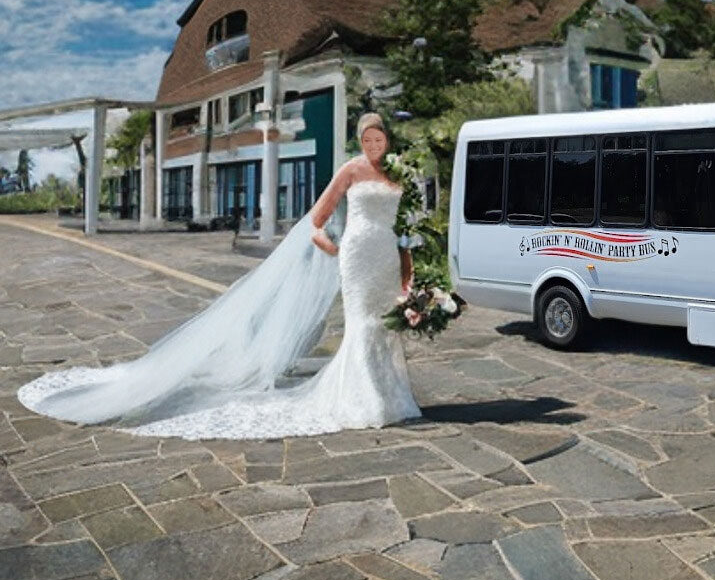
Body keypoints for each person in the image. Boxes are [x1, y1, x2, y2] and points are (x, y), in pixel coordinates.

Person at [17, 113, 423, 440]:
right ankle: (363, 400)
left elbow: (404, 226)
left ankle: (392, 397)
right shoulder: (350, 170)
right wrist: (333, 248)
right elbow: (317, 220)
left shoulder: (398, 175)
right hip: (356, 256)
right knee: (361, 326)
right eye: (367, 138)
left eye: (379, 138)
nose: (373, 145)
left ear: (387, 140)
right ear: (359, 140)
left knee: (387, 326)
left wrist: (409, 268)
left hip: (385, 257)